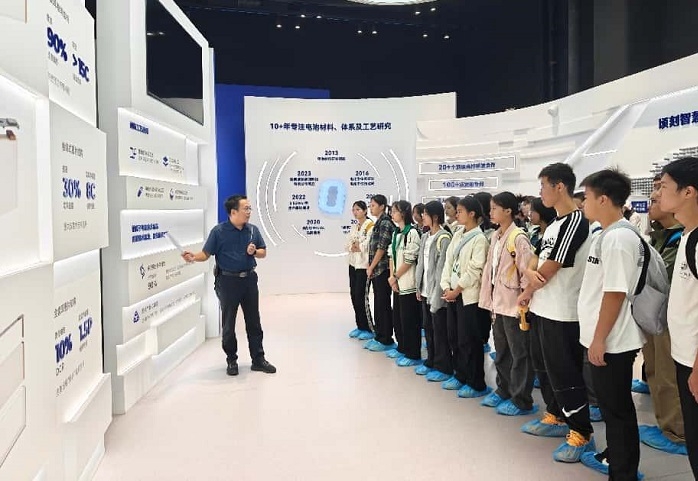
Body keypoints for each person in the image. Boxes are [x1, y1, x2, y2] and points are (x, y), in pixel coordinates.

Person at [517, 163, 594, 463]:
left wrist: (529, 285)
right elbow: (535, 261)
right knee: (545, 368)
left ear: (559, 187)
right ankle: (556, 414)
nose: (540, 194)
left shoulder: (576, 221)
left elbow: (550, 268)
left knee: (566, 373)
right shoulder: (553, 225)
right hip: (543, 308)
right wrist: (529, 275)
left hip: (563, 312)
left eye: (543, 187)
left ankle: (581, 432)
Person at [577, 169, 646, 481]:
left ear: (603, 199)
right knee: (613, 408)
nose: (583, 203)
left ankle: (623, 473)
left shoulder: (618, 238)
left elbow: (615, 293)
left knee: (617, 411)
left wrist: (599, 339)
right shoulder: (607, 233)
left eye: (587, 197)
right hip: (606, 338)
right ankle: (618, 461)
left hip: (613, 341)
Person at [182, 195, 276, 376]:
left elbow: (263, 252)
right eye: (245, 209)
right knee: (228, 323)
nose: (249, 212)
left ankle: (258, 359)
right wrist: (193, 257)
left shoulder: (253, 230)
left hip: (249, 280)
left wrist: (255, 251)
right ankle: (231, 360)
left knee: (254, 321)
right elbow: (205, 254)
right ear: (233, 212)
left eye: (249, 208)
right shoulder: (218, 232)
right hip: (227, 282)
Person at [638, 177, 687, 456]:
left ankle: (677, 432)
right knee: (656, 372)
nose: (654, 199)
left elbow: (662, 279)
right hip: (655, 315)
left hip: (671, 319)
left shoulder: (683, 238)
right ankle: (665, 424)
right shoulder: (661, 235)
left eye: (660, 193)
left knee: (669, 377)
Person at [479, 192, 537, 416]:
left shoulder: (518, 238)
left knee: (519, 353)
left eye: (495, 208)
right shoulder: (496, 236)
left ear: (508, 211)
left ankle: (521, 399)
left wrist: (525, 299)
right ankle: (504, 389)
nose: (491, 212)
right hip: (498, 303)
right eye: (491, 208)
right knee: (502, 350)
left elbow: (527, 272)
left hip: (514, 305)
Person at [658, 156, 698, 478]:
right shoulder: (687, 234)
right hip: (685, 356)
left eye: (664, 186)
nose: (658, 193)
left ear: (688, 191)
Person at [440, 196, 490, 399]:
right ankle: (460, 374)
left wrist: (457, 289)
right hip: (452, 293)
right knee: (455, 337)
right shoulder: (458, 233)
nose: (456, 214)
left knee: (469, 339)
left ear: (472, 214)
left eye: (460, 211)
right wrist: (446, 286)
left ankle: (475, 382)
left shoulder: (479, 239)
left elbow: (475, 270)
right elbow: (448, 261)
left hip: (468, 296)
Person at [415, 201, 453, 380]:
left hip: (436, 293)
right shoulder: (425, 236)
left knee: (440, 332)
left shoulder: (444, 238)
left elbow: (441, 270)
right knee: (429, 329)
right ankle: (431, 360)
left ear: (435, 217)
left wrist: (437, 296)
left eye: (425, 214)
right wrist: (418, 287)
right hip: (425, 291)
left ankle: (443, 366)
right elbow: (421, 265)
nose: (422, 217)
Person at [386, 200, 423, 366]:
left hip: (408, 284)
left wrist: (395, 276)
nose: (392, 214)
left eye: (395, 211)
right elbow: (391, 256)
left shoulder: (412, 233)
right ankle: (402, 347)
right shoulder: (396, 233)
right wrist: (392, 278)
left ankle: (413, 353)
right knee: (398, 319)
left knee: (410, 321)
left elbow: (409, 259)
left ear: (403, 213)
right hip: (397, 283)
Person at [364, 195, 397, 352]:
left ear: (382, 206)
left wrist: (371, 266)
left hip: (383, 269)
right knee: (379, 303)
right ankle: (380, 335)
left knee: (383, 304)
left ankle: (386, 338)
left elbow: (382, 248)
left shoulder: (385, 223)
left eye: (373, 205)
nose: (371, 208)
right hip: (377, 270)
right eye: (370, 205)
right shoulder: (378, 222)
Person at [345, 201, 375, 341]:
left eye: (357, 209)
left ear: (364, 211)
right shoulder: (355, 226)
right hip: (353, 264)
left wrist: (357, 245)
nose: (355, 212)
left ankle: (368, 328)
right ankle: (360, 326)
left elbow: (366, 245)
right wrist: (354, 245)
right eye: (353, 210)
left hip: (363, 266)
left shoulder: (370, 226)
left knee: (361, 297)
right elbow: (348, 244)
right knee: (354, 295)